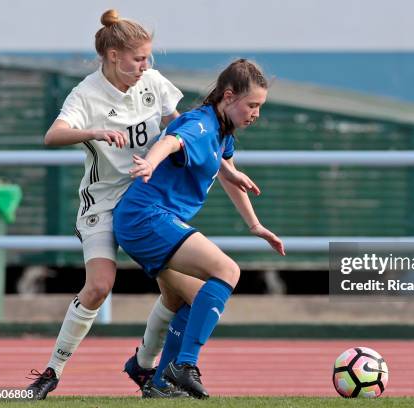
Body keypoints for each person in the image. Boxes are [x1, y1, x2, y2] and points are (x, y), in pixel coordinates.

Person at [25, 10, 258, 400]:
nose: (146, 66)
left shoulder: (152, 82)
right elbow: (53, 135)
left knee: (183, 294)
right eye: (138, 59)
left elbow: (185, 130)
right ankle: (51, 372)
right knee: (99, 287)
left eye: (149, 58)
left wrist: (226, 168)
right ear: (113, 55)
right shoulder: (87, 94)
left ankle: (145, 370)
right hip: (103, 204)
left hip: (148, 203)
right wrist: (94, 131)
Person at [113, 58, 285, 399]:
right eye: (252, 105)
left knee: (191, 299)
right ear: (228, 95)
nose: (256, 114)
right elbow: (173, 141)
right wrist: (151, 161)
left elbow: (229, 176)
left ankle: (158, 381)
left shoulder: (223, 134)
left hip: (152, 220)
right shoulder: (201, 123)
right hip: (145, 218)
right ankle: (184, 365)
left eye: (260, 107)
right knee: (227, 270)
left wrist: (255, 224)